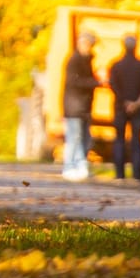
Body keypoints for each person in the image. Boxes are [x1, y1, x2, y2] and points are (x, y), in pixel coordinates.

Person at [107, 34, 140, 181]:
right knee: (136, 141)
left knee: (119, 140)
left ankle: (119, 175)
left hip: (120, 108)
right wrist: (136, 103)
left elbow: (113, 86)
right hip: (139, 109)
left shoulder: (116, 65)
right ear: (136, 47)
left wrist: (125, 102)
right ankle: (137, 175)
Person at [62, 29, 100, 181]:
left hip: (83, 106)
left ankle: (81, 166)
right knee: (74, 137)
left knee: (85, 138)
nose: (89, 48)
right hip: (74, 106)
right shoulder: (75, 60)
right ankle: (69, 166)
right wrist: (95, 82)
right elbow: (74, 82)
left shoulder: (86, 60)